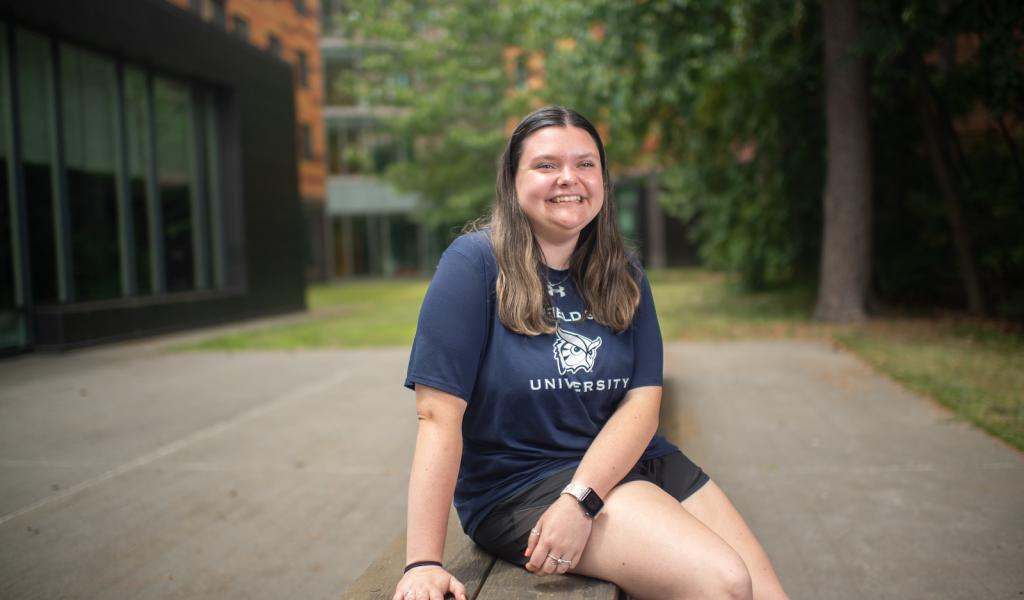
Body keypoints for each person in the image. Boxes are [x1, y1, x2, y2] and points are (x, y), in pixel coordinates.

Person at [393, 106, 789, 600]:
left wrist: (582, 499)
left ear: (602, 179)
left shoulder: (622, 270)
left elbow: (642, 403)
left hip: (629, 462)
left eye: (585, 164)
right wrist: (423, 562)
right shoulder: (474, 266)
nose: (568, 179)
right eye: (545, 165)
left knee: (768, 595)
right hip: (524, 484)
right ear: (512, 181)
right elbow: (436, 417)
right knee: (723, 582)